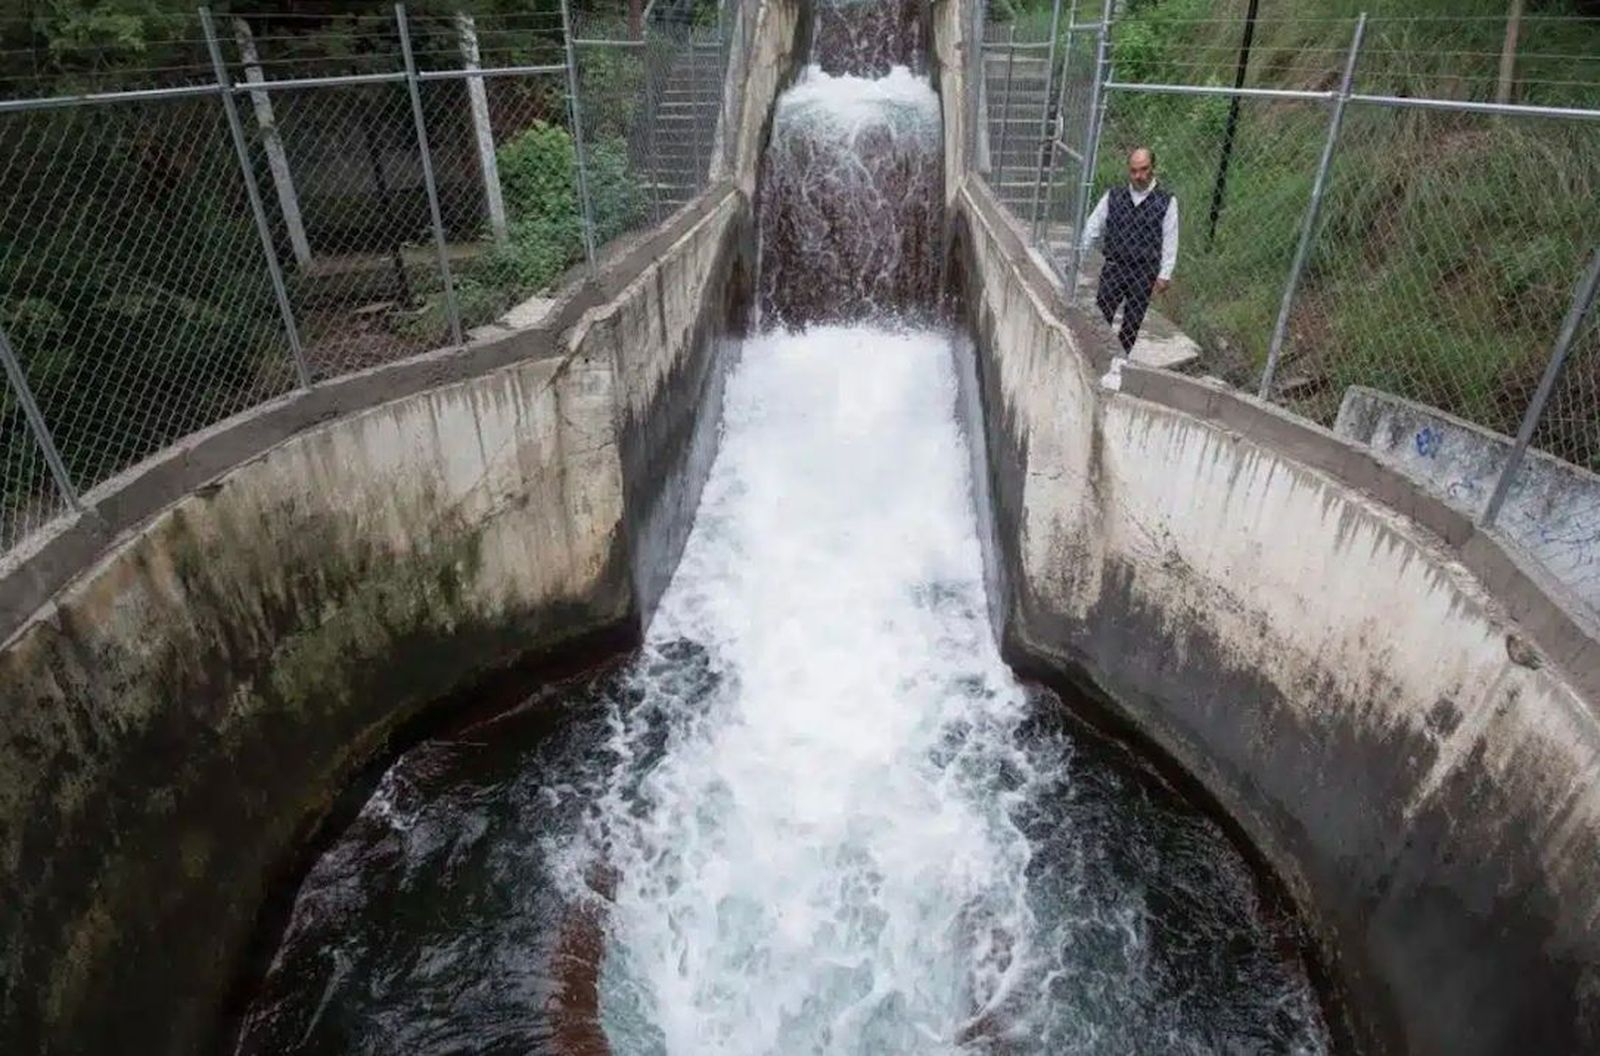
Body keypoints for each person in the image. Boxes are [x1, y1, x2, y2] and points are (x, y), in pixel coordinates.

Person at [1079, 147, 1178, 354]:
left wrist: (1164, 274)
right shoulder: (1113, 196)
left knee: (1131, 325)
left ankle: (1119, 365)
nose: (1139, 176)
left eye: (1144, 170)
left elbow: (1170, 238)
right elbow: (1093, 226)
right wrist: (1080, 254)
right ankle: (1097, 357)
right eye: (1133, 171)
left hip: (1144, 273)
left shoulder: (1166, 202)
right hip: (1114, 266)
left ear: (1153, 168)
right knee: (1101, 316)